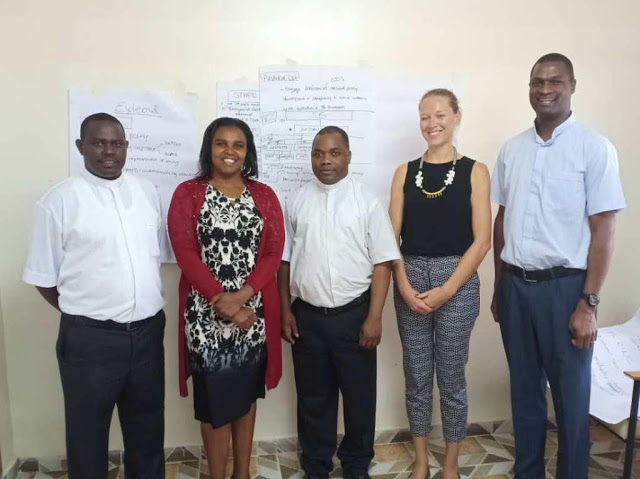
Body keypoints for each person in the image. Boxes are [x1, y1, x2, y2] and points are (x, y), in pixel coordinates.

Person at [491, 53, 626, 478]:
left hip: (566, 291)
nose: (544, 90)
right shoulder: (512, 149)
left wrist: (589, 303)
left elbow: (603, 230)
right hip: (515, 287)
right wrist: (499, 286)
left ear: (572, 86)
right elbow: (502, 221)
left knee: (570, 400)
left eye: (554, 81)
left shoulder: (594, 147)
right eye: (536, 82)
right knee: (525, 395)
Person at [22, 113, 167, 479]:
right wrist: (86, 313)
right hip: (90, 342)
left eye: (116, 144)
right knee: (87, 439)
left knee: (148, 433)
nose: (108, 152)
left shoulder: (146, 192)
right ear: (80, 147)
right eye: (98, 143)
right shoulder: (58, 202)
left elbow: (155, 258)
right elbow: (43, 278)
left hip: (148, 336)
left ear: (126, 148)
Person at [278, 126, 400, 479]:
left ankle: (356, 464)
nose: (325, 160)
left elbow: (382, 262)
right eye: (318, 153)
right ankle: (316, 465)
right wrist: (285, 310)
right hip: (308, 317)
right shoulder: (296, 201)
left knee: (359, 397)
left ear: (348, 156)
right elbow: (284, 261)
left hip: (354, 315)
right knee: (313, 398)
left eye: (333, 153)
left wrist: (374, 316)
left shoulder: (367, 202)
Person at [167, 117, 284, 479]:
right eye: (221, 143)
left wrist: (243, 297)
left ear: (247, 152)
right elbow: (185, 253)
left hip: (252, 314)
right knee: (214, 401)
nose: (229, 151)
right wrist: (222, 300)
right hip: (204, 318)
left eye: (238, 144)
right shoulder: (187, 193)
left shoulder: (263, 195)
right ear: (209, 148)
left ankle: (242, 474)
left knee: (246, 395)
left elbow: (273, 253)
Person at [388, 89, 491, 478]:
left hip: (458, 280)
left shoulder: (475, 171)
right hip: (410, 276)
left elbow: (482, 241)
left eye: (440, 115)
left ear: (457, 117)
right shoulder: (404, 172)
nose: (431, 124)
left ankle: (450, 462)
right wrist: (401, 281)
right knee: (416, 374)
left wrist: (447, 288)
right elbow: (389, 237)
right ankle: (419, 459)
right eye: (424, 116)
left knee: (451, 376)